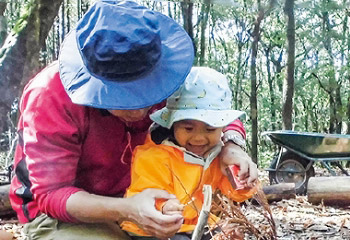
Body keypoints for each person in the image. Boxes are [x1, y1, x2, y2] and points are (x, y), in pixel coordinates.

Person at [9, 1, 257, 240]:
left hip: (144, 197)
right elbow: (52, 195)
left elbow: (210, 106)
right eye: (122, 99)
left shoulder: (168, 74)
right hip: (66, 214)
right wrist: (127, 209)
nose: (138, 111)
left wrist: (231, 144)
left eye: (147, 92)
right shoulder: (50, 96)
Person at [121, 67, 257, 239]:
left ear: (223, 128)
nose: (199, 138)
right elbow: (144, 192)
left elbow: (233, 192)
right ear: (172, 123)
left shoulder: (217, 155)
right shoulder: (154, 156)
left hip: (196, 222)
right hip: (153, 226)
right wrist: (164, 206)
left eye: (210, 129)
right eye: (188, 128)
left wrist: (245, 182)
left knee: (229, 235)